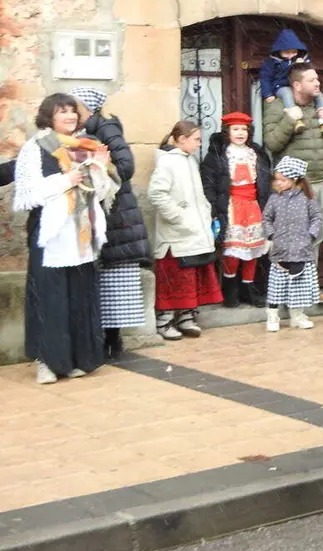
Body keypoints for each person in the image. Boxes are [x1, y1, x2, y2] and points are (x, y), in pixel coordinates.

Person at [14, 93, 120, 383]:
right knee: (50, 297)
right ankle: (47, 361)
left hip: (81, 233)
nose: (70, 117)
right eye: (62, 112)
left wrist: (100, 170)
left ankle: (78, 358)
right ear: (49, 116)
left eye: (73, 112)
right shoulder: (35, 148)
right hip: (50, 236)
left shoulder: (87, 147)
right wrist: (65, 181)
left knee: (79, 296)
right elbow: (26, 196)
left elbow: (100, 194)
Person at [70, 87, 150, 359]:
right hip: (103, 212)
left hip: (115, 213)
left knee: (115, 277)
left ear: (87, 109)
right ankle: (103, 340)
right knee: (104, 276)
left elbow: (126, 167)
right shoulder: (83, 132)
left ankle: (112, 341)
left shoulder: (106, 129)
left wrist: (98, 162)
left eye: (75, 106)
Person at [263, 63, 323, 305]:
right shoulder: (279, 107)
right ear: (297, 85)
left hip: (319, 181)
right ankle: (285, 292)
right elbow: (272, 144)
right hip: (293, 187)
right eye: (312, 80)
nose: (318, 84)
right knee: (289, 238)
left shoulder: (319, 107)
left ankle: (310, 287)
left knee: (314, 236)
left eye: (318, 79)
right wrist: (290, 121)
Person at [148, 121, 223, 340]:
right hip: (176, 235)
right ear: (181, 140)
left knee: (191, 276)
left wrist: (205, 214)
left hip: (193, 233)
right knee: (173, 278)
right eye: (196, 139)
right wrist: (179, 217)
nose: (199, 144)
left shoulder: (189, 160)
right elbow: (157, 194)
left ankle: (186, 317)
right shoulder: (168, 163)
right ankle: (165, 320)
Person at [201, 112, 272, 309]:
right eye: (236, 129)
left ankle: (248, 288)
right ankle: (230, 287)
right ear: (227, 132)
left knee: (253, 250)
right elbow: (209, 184)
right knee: (232, 251)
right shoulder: (218, 155)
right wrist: (214, 207)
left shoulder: (256, 154)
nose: (240, 133)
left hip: (253, 206)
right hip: (231, 207)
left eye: (244, 129)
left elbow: (265, 182)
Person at [261, 156, 323, 332]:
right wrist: (272, 234)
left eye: (283, 180)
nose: (278, 183)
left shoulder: (307, 199)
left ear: (295, 179)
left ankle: (297, 315)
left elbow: (317, 218)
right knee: (276, 285)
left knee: (300, 286)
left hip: (301, 250)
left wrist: (310, 235)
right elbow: (266, 218)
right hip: (280, 250)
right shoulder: (275, 199)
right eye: (277, 180)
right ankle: (272, 316)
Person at [259, 29, 323, 134]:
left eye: (293, 52)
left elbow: (308, 73)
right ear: (279, 51)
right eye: (286, 52)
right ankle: (295, 119)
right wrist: (267, 94)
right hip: (281, 86)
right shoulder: (271, 63)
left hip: (300, 87)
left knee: (319, 95)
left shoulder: (302, 59)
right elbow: (265, 78)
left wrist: (302, 65)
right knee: (287, 93)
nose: (290, 55)